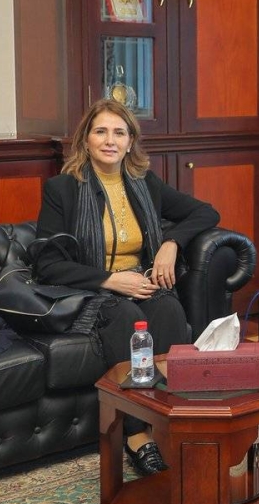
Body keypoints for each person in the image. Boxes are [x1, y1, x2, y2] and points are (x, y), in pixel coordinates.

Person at [33, 98, 220, 476]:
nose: (110, 140)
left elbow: (206, 212)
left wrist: (171, 242)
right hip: (92, 289)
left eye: (119, 133)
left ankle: (174, 417)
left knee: (167, 307)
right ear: (86, 140)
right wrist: (108, 279)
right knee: (126, 315)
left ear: (130, 141)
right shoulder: (62, 188)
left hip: (140, 280)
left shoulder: (145, 184)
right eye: (100, 132)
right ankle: (137, 434)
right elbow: (47, 264)